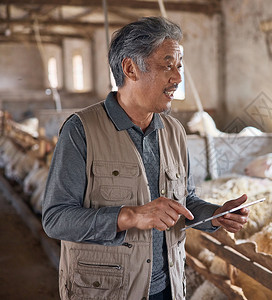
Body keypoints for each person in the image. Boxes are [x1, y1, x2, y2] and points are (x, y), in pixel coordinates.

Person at [41, 16, 249, 300]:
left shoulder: (173, 131)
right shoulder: (82, 130)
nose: (177, 77)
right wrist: (130, 216)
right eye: (167, 65)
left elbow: (183, 203)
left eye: (179, 66)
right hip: (107, 291)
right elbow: (56, 219)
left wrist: (215, 214)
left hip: (167, 288)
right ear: (130, 68)